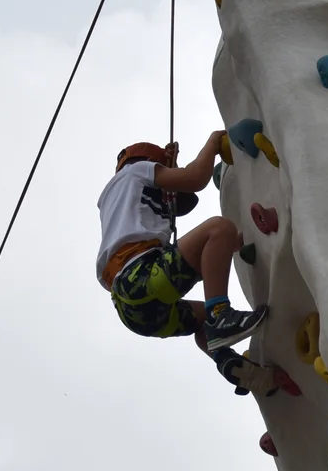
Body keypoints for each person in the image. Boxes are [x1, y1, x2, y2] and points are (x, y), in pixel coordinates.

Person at [97, 132, 268, 384]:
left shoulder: (117, 199)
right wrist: (212, 144)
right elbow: (195, 178)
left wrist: (230, 245)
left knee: (201, 321)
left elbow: (194, 243)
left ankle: (235, 366)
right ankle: (221, 315)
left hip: (132, 309)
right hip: (140, 277)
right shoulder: (135, 171)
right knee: (219, 229)